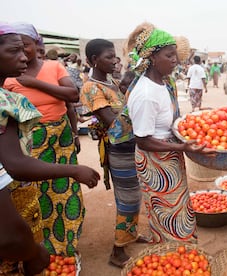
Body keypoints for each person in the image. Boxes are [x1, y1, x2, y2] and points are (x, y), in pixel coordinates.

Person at [0, 22, 99, 276]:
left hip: (56, 143)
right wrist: (32, 251)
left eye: (25, 48)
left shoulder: (48, 71)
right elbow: (15, 164)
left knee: (61, 198)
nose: (23, 55)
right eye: (14, 51)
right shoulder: (5, 99)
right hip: (28, 162)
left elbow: (71, 96)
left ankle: (62, 245)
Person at [126, 22, 213, 244]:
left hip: (169, 157)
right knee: (167, 213)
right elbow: (143, 140)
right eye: (169, 55)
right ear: (152, 57)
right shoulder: (145, 93)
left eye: (175, 55)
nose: (175, 60)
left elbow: (169, 122)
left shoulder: (163, 84)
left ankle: (178, 252)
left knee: (177, 208)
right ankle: (172, 255)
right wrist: (182, 147)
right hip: (156, 162)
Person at [81, 38, 146, 268]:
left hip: (130, 146)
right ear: (93, 60)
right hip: (118, 149)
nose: (115, 61)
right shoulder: (91, 88)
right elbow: (112, 123)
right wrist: (136, 105)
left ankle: (131, 234)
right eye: (109, 57)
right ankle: (117, 251)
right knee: (127, 198)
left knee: (134, 195)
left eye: (115, 56)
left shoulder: (109, 81)